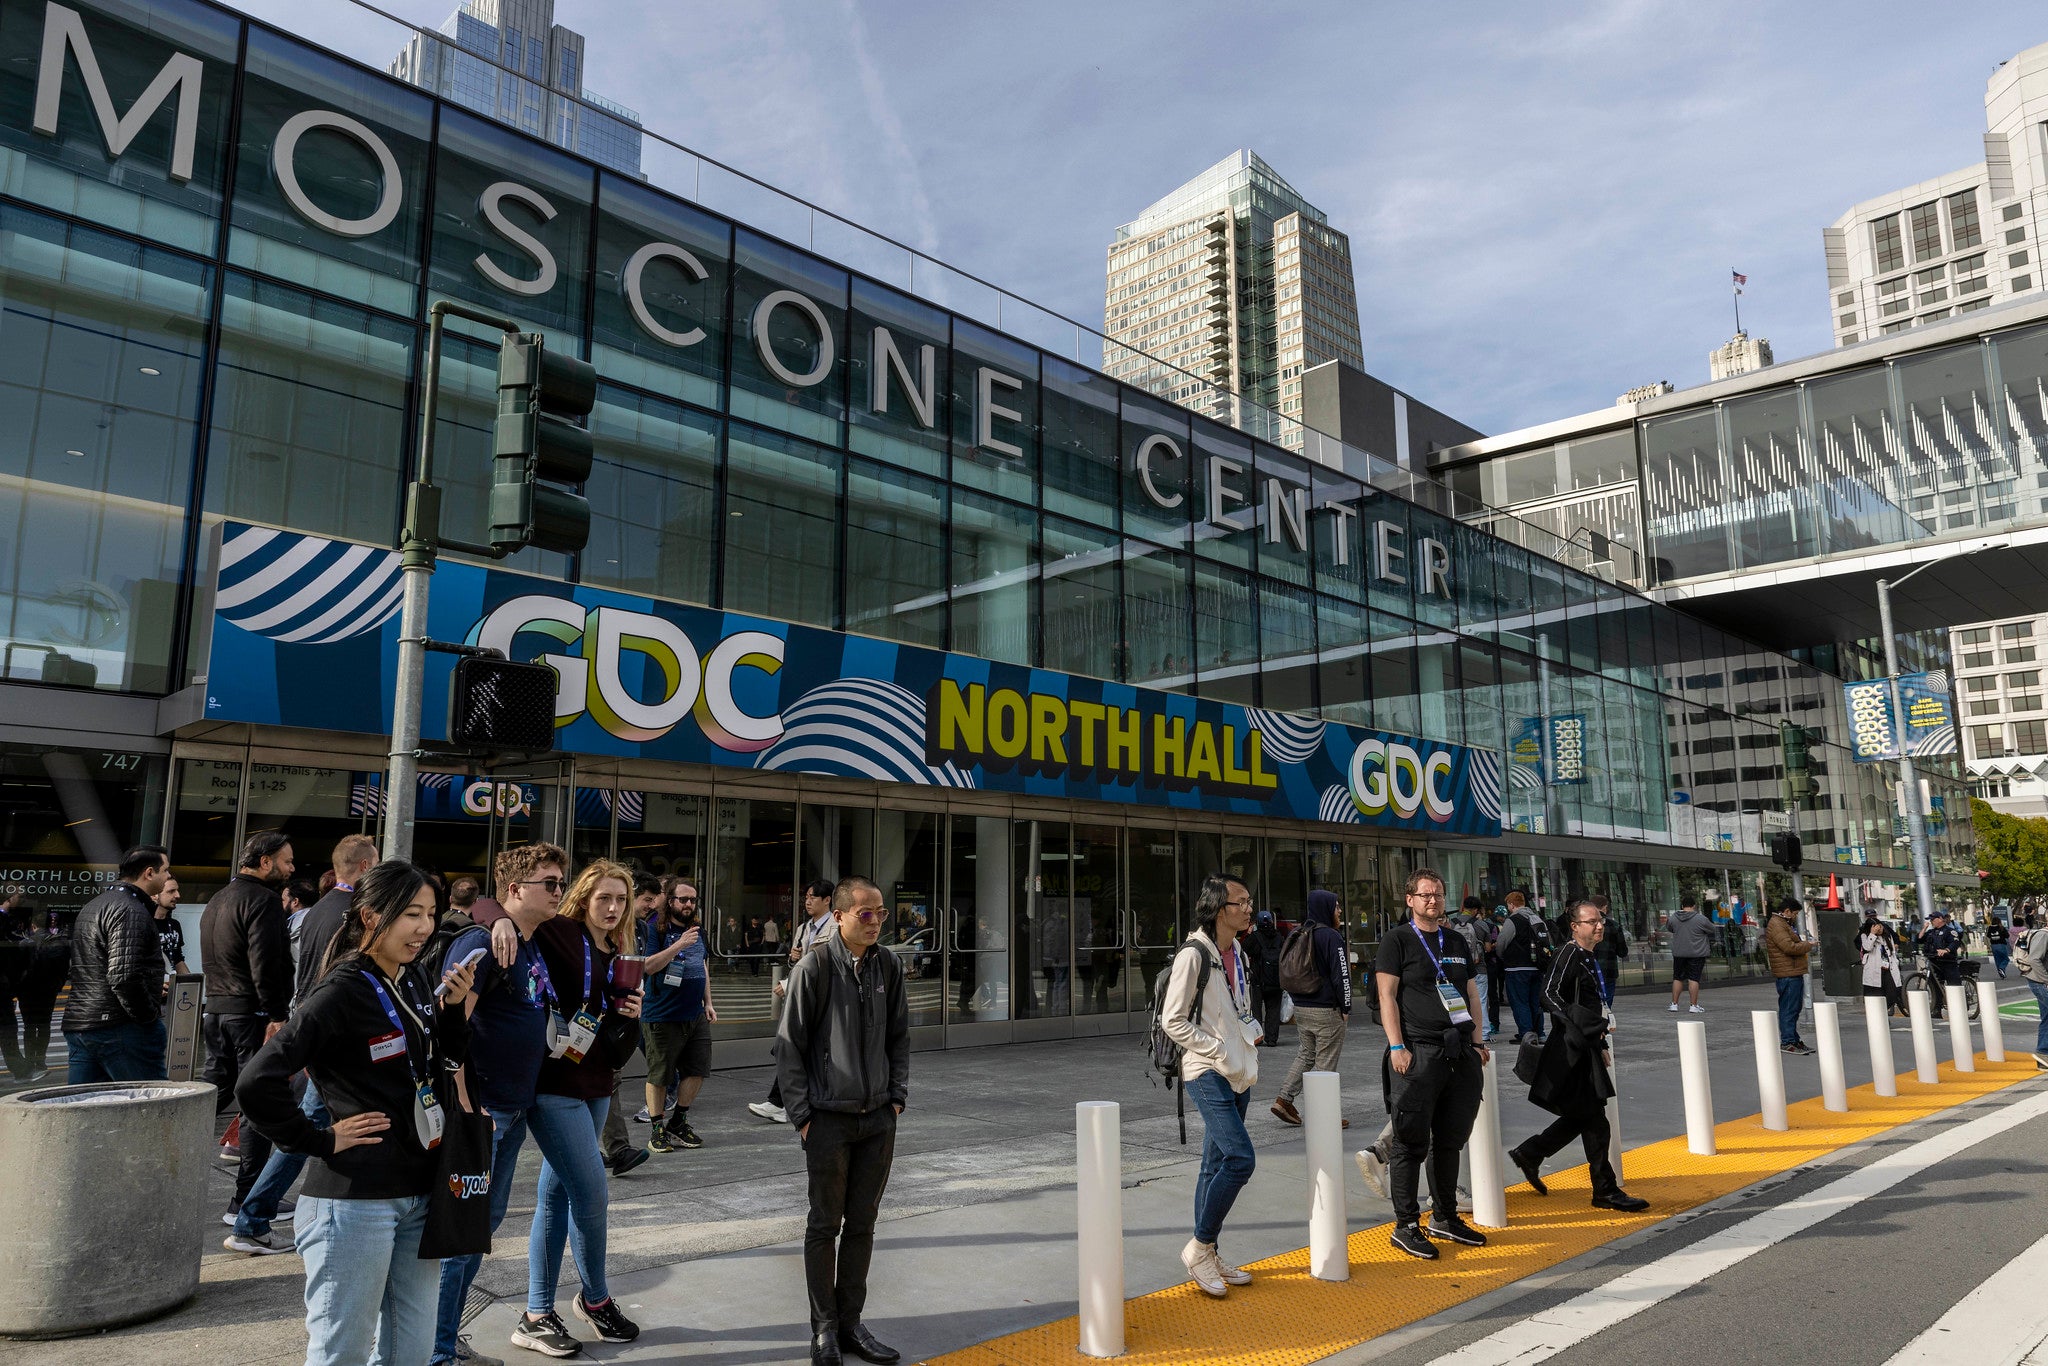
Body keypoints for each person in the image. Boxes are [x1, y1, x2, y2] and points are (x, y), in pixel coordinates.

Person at [235, 859, 479, 1366]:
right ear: (370, 916)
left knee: (409, 1350)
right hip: (355, 1204)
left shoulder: (411, 978)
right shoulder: (341, 989)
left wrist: (453, 1011)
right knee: (341, 1352)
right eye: (411, 914)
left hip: (419, 1192)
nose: (425, 928)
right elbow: (256, 1081)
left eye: (431, 913)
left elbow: (439, 1064)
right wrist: (318, 1140)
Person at [430, 842, 642, 1366]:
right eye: (600, 896)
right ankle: (588, 1299)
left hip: (550, 1094)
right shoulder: (546, 932)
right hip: (522, 1099)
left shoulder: (589, 950)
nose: (613, 908)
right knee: (577, 1195)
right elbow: (450, 1024)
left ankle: (522, 1317)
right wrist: (496, 918)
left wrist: (629, 1012)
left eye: (623, 899)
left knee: (507, 1215)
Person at [778, 876, 909, 1366]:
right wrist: (802, 1117)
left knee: (863, 1224)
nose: (875, 921)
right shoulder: (814, 968)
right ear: (839, 916)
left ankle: (852, 1324)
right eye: (865, 913)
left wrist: (896, 1097)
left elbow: (899, 1036)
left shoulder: (889, 965)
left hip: (877, 1118)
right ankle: (824, 1330)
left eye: (880, 912)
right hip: (827, 1121)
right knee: (823, 1225)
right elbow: (788, 1046)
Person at [229, 835, 379, 1253]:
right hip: (333, 1036)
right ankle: (252, 1217)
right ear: (366, 867)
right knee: (312, 1128)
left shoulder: (317, 910)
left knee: (316, 1126)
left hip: (315, 1027)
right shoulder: (350, 914)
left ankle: (253, 1214)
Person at [1376, 868, 1491, 1259]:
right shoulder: (1397, 940)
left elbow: (1472, 994)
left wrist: (1477, 1041)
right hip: (1418, 1052)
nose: (1433, 901)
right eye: (1425, 895)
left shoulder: (1456, 939)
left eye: (1438, 895)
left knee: (1450, 1140)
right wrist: (1396, 1047)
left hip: (1460, 1052)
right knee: (1409, 1143)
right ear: (1410, 899)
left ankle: (1443, 1216)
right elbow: (1386, 997)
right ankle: (1406, 1224)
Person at [1508, 899, 1648, 1212]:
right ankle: (1604, 1190)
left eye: (1600, 920)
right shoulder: (1568, 952)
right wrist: (1580, 1023)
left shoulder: (1587, 956)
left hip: (1585, 1044)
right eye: (1590, 921)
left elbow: (1589, 1002)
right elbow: (1548, 994)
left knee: (1585, 1115)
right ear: (1575, 926)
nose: (1598, 925)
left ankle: (1531, 1153)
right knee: (1595, 1120)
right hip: (1571, 1047)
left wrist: (1599, 1043)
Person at [1160, 874, 1260, 1298]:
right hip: (1206, 1071)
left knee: (1212, 1166)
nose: (1249, 908)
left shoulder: (1237, 951)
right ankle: (1200, 1246)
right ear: (1221, 909)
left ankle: (1210, 1250)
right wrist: (1216, 1047)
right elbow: (1173, 1020)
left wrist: (1244, 1041)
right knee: (1240, 1160)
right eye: (1241, 902)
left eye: (1249, 901)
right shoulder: (1194, 955)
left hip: (1240, 1070)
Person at [201, 831, 297, 1222]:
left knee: (211, 1096)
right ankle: (247, 1199)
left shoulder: (218, 898)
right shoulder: (264, 901)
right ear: (265, 862)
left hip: (218, 1011)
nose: (292, 869)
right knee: (256, 1104)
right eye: (287, 861)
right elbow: (266, 964)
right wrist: (277, 1014)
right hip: (251, 1014)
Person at [62, 844, 171, 1083]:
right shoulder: (131, 910)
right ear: (149, 873)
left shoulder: (94, 905)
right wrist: (147, 1017)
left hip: (83, 1024)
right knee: (150, 1104)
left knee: (85, 1108)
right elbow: (124, 976)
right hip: (120, 1026)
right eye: (166, 871)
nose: (168, 877)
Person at [639, 876, 715, 1153]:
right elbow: (647, 966)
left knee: (698, 1069)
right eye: (683, 899)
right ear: (670, 901)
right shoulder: (654, 928)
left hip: (694, 1013)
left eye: (692, 899)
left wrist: (708, 1001)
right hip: (662, 1014)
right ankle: (657, 1128)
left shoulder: (698, 929)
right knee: (660, 1074)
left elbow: (702, 966)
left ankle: (678, 1122)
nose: (688, 904)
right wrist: (678, 945)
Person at [752, 879, 836, 1124]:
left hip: (821, 999)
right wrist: (792, 959)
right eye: (806, 896)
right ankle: (782, 1103)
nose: (808, 901)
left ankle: (780, 1103)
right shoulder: (802, 928)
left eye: (813, 897)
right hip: (802, 998)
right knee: (793, 1048)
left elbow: (826, 966)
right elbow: (801, 964)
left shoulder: (836, 927)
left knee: (794, 1048)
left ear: (827, 900)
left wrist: (788, 983)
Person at [599, 871, 664, 1175]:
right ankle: (616, 1148)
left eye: (622, 900)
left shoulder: (640, 929)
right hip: (595, 1017)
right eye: (646, 899)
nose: (650, 905)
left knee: (608, 1081)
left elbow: (640, 967)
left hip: (625, 1015)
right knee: (606, 1082)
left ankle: (600, 1147)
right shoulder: (591, 928)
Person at [1269, 889, 1350, 1126]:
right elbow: (1342, 975)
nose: (1339, 911)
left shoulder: (1298, 932)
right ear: (1326, 908)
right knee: (1326, 1061)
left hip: (1302, 1006)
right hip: (1326, 1009)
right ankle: (1324, 1116)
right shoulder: (1331, 936)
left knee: (1306, 1054)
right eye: (1336, 906)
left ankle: (1284, 1099)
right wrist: (1346, 1006)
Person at [1495, 890, 1549, 1044]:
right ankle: (1540, 1033)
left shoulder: (1513, 920)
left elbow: (1501, 943)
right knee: (1535, 1002)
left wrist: (1502, 957)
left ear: (1512, 905)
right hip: (1537, 967)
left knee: (1520, 1002)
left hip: (1516, 968)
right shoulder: (1537, 919)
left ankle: (1526, 1034)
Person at [1765, 897, 1816, 1054]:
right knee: (1789, 1008)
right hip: (1787, 973)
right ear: (1786, 911)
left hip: (1792, 971)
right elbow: (1789, 947)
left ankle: (1793, 1039)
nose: (1795, 916)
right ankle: (1787, 1041)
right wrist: (1808, 945)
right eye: (1794, 913)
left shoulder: (1783, 924)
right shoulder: (1777, 924)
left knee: (1793, 1008)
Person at [1449, 897, 1496, 1042]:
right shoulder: (1481, 924)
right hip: (1479, 968)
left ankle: (1460, 1031)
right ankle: (1484, 1033)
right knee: (1480, 1000)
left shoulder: (1452, 923)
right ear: (1476, 910)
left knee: (1459, 1001)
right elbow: (1488, 948)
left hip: (1457, 968)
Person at [1664, 894, 1714, 1013]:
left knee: (1677, 978)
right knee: (1694, 979)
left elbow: (1670, 928)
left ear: (1682, 906)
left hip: (1679, 953)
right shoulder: (1700, 919)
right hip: (1697, 953)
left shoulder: (1673, 918)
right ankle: (1693, 1005)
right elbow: (1712, 929)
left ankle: (1674, 1004)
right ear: (1694, 906)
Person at [1245, 911, 1284, 1048]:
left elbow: (1244, 950)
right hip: (1275, 981)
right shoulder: (1279, 937)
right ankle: (1272, 1038)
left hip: (1258, 980)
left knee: (1256, 1009)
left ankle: (1258, 1037)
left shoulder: (1255, 937)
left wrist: (1249, 934)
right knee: (1273, 1010)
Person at [2015, 912, 2048, 1068]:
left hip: (2040, 982)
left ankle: (2043, 1055)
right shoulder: (2043, 935)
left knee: (2047, 1018)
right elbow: (2034, 958)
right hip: (2040, 982)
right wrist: (2046, 979)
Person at [1920, 909, 1964, 1018]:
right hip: (1934, 961)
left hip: (1948, 961)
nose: (1931, 922)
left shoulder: (1949, 931)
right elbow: (1919, 939)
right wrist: (1925, 928)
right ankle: (1937, 1009)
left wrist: (1947, 950)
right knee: (1935, 986)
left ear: (1940, 919)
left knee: (1954, 985)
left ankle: (1959, 1009)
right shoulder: (1931, 932)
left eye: (1933, 919)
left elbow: (1955, 942)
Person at [1859, 912, 1904, 1018]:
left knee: (1893, 993)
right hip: (1874, 970)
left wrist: (1896, 963)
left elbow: (1892, 952)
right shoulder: (1865, 936)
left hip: (1888, 969)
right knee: (1875, 995)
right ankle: (1880, 1017)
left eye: (1880, 926)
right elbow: (1867, 947)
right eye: (1876, 927)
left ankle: (1882, 1011)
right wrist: (1872, 935)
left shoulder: (1887, 937)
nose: (1879, 929)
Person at [1589, 894, 1626, 1006]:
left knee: (1590, 1000)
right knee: (1606, 1003)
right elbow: (1622, 951)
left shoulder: (1584, 925)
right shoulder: (1613, 925)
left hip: (1588, 969)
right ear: (1605, 907)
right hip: (1608, 970)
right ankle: (1604, 1020)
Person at [155, 876, 190, 978]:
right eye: (171, 891)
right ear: (155, 895)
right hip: (152, 985)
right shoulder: (144, 924)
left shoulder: (174, 925)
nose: (177, 895)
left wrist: (189, 982)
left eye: (177, 891)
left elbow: (177, 958)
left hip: (170, 984)